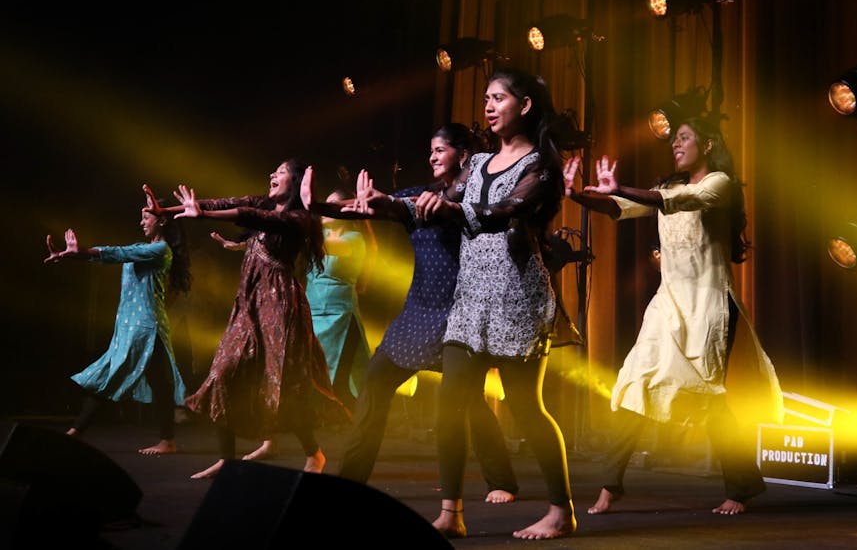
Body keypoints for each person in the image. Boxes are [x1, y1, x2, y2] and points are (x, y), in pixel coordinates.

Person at [388, 68, 581, 539]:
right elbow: (437, 200)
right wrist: (383, 204)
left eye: (498, 98)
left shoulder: (541, 166)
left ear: (525, 105)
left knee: (527, 409)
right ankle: (451, 512)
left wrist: (454, 209)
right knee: (450, 406)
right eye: (486, 99)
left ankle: (561, 511)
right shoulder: (476, 163)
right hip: (470, 300)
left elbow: (506, 210)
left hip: (517, 299)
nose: (489, 107)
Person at [562, 116, 783, 516]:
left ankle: (742, 485)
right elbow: (618, 208)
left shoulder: (719, 183)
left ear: (708, 144)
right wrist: (579, 196)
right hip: (667, 305)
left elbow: (676, 202)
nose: (676, 145)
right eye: (674, 139)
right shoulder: (668, 187)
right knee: (634, 385)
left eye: (684, 137)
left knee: (708, 396)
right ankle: (610, 485)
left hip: (709, 307)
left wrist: (621, 188)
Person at [310, 123, 519, 504]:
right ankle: (350, 480)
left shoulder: (475, 199)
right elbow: (368, 207)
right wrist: (319, 207)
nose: (432, 156)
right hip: (419, 310)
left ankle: (501, 480)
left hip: (458, 312)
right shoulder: (418, 195)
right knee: (375, 383)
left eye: (440, 150)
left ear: (463, 155)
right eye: (431, 150)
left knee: (468, 401)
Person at [144, 158, 349, 479]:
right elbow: (229, 203)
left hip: (280, 307)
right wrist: (167, 211)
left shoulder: (299, 219)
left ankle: (314, 452)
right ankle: (228, 460)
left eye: (281, 172)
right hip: (248, 304)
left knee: (284, 385)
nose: (272, 174)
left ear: (296, 182)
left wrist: (204, 215)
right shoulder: (264, 203)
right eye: (274, 170)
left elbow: (251, 217)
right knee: (223, 373)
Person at [43, 189, 191, 455]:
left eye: (146, 217)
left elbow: (118, 253)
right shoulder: (144, 248)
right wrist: (77, 255)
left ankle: (76, 432)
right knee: (160, 383)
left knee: (113, 375)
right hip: (133, 326)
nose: (141, 222)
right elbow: (118, 254)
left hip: (145, 327)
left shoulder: (160, 250)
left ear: (162, 220)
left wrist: (82, 252)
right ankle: (167, 440)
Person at [238, 183, 375, 462]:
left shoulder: (354, 239)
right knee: (293, 377)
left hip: (340, 319)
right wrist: (247, 244)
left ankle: (363, 440)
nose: (323, 211)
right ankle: (272, 440)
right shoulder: (316, 238)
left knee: (340, 388)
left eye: (331, 207)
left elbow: (315, 243)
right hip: (311, 315)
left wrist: (289, 225)